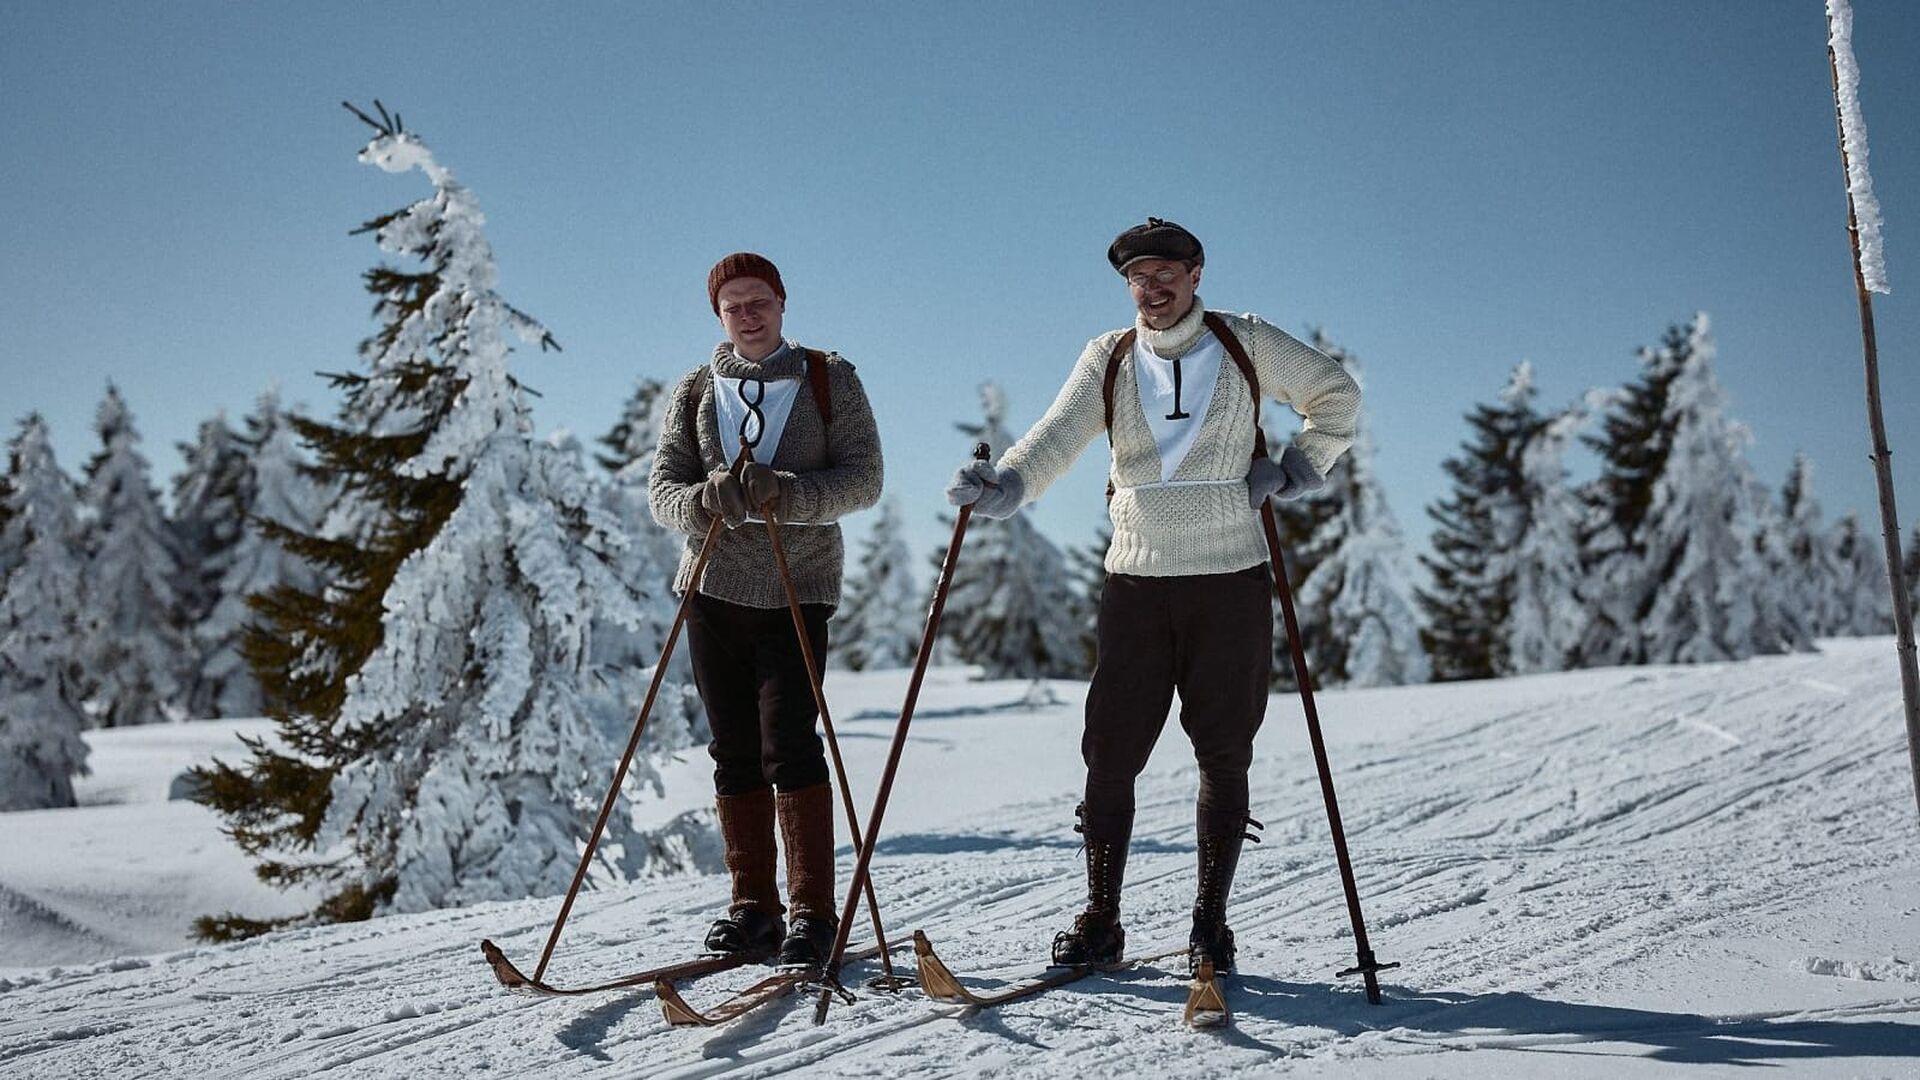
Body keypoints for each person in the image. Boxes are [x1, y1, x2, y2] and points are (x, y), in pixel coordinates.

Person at [945, 218, 1360, 975]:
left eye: (1166, 272)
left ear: (1196, 275)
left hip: (1230, 578)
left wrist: (1297, 467)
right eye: (1138, 276)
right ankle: (1101, 917)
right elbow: (1057, 436)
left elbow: (1336, 396)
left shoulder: (1244, 341)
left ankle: (1210, 924)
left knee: (1223, 750)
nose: (1152, 287)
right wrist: (1005, 484)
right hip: (1136, 580)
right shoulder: (1108, 356)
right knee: (1109, 751)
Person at [649, 252, 883, 968]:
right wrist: (703, 500)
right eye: (734, 306)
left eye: (759, 302)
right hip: (712, 586)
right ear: (718, 315)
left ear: (782, 303)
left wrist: (789, 492)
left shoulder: (828, 378)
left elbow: (864, 480)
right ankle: (752, 910)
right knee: (733, 749)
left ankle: (813, 915)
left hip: (796, 587)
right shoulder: (696, 388)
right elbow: (662, 491)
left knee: (789, 743)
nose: (748, 316)